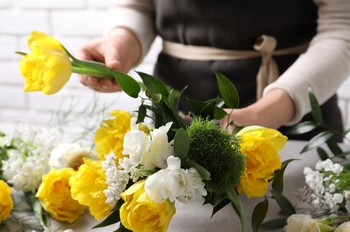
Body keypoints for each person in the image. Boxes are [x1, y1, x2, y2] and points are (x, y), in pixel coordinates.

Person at [77, 0, 350, 140]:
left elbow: (342, 26)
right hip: (176, 108)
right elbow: (137, 6)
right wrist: (121, 43)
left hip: (296, 112)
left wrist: (264, 114)